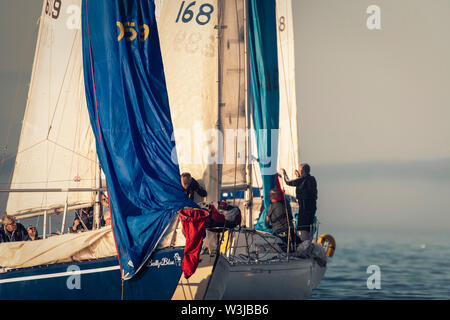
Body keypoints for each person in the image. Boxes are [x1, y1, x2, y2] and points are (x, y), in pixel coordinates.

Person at [281, 163, 318, 241]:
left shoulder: (302, 180)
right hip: (312, 207)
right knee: (307, 227)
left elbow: (288, 182)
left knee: (303, 227)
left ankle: (306, 244)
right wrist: (299, 176)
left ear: (301, 171)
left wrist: (284, 174)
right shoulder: (312, 179)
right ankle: (308, 242)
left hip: (304, 207)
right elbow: (302, 183)